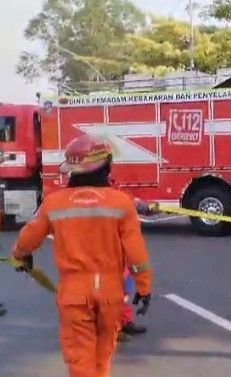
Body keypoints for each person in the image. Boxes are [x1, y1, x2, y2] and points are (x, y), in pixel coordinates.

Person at [11, 134, 153, 377]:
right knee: (103, 355)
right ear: (106, 165)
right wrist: (144, 286)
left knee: (80, 359)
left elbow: (28, 238)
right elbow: (136, 252)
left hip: (74, 293)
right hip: (110, 293)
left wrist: (20, 256)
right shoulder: (121, 203)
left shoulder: (54, 204)